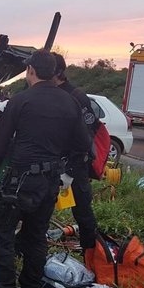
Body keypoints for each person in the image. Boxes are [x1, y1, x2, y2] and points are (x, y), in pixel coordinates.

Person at [0, 50, 91, 288]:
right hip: (49, 182)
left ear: (31, 71)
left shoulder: (20, 101)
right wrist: (68, 176)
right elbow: (84, 146)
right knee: (36, 237)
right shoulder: (69, 102)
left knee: (2, 236)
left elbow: (0, 141)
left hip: (18, 181)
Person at [52, 53, 100, 252]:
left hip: (75, 162)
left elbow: (89, 130)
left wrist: (71, 168)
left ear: (58, 72)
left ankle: (91, 249)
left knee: (81, 207)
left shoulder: (76, 96)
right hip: (53, 161)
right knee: (41, 206)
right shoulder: (49, 94)